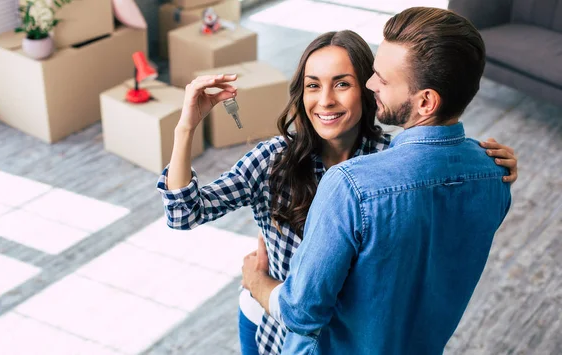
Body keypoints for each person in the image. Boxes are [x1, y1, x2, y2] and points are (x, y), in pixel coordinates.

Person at [157, 30, 517, 355]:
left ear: (368, 88)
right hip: (269, 330)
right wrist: (185, 127)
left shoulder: (392, 162)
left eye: (342, 84)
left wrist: (486, 166)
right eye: (313, 85)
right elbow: (183, 214)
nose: (325, 100)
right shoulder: (272, 160)